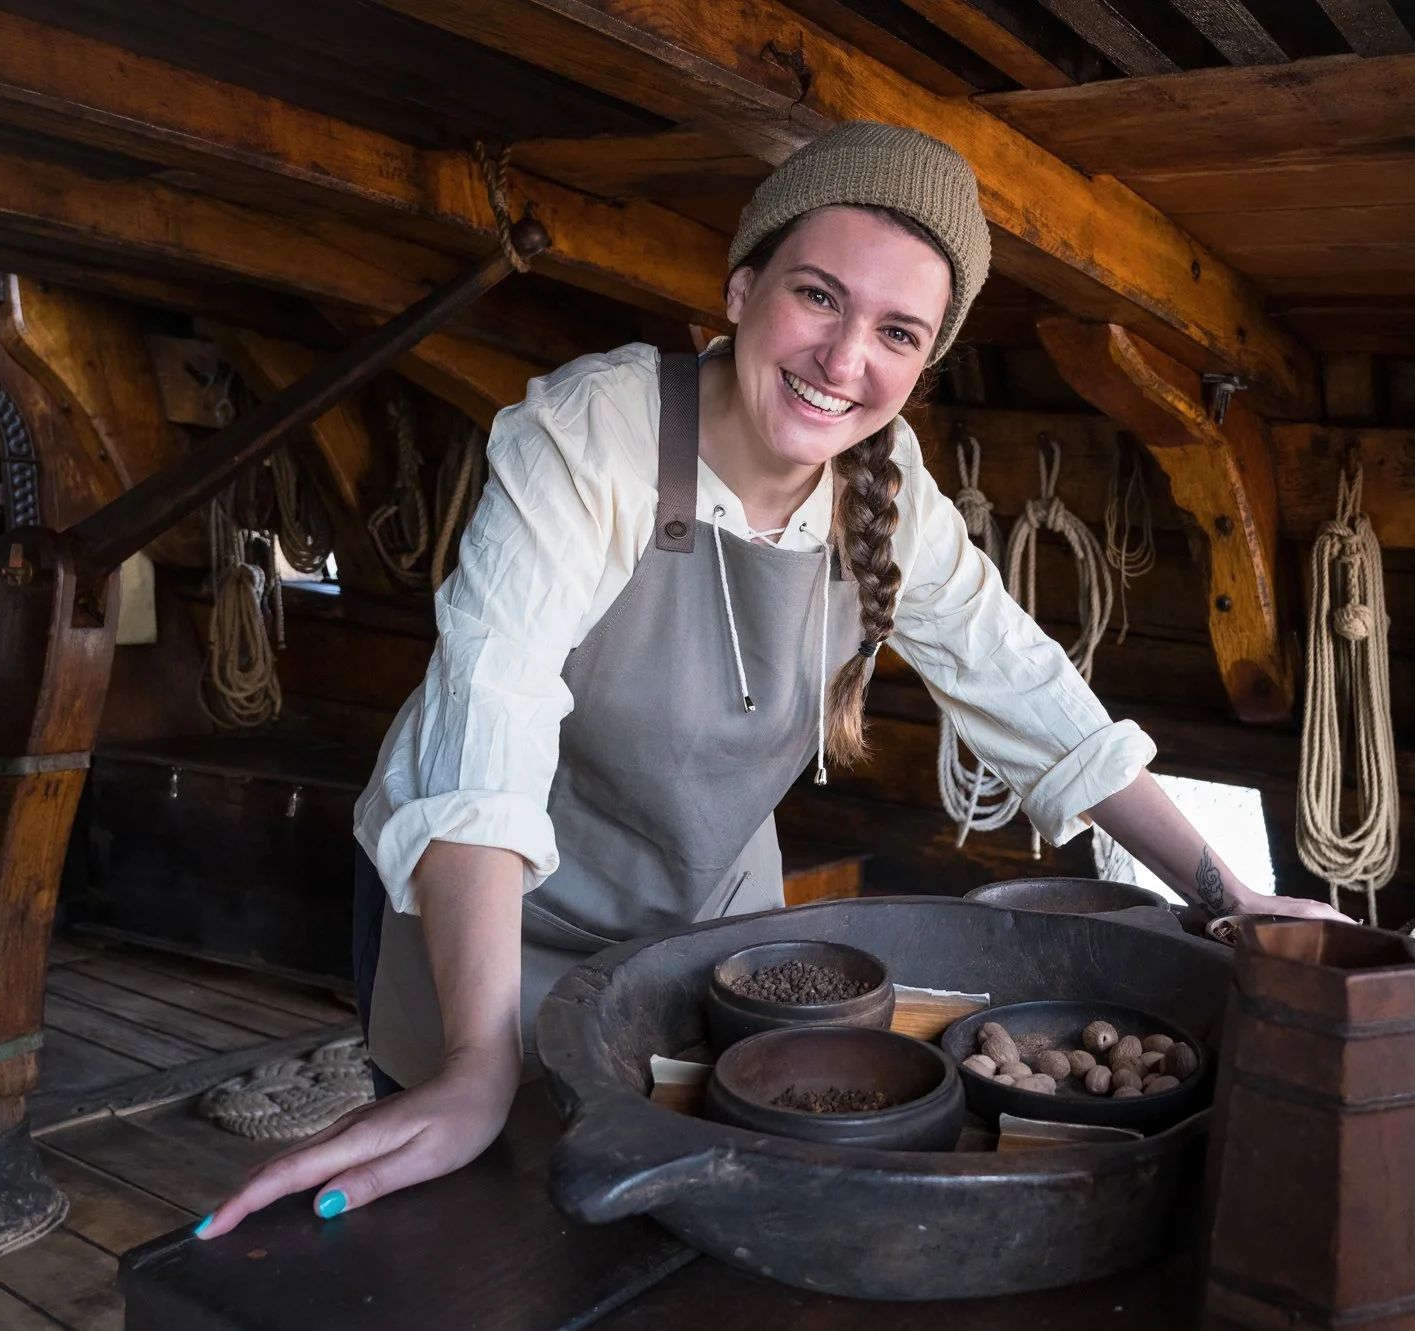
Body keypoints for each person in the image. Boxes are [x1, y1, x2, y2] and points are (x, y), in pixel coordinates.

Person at [198, 122, 1343, 1238]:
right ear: (741, 288)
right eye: (817, 295)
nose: (845, 361)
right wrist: (474, 1061)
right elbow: (482, 720)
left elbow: (1031, 695)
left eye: (898, 332)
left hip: (706, 936)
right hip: (492, 919)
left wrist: (1227, 896)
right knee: (487, 1237)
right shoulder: (597, 432)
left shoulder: (887, 487)